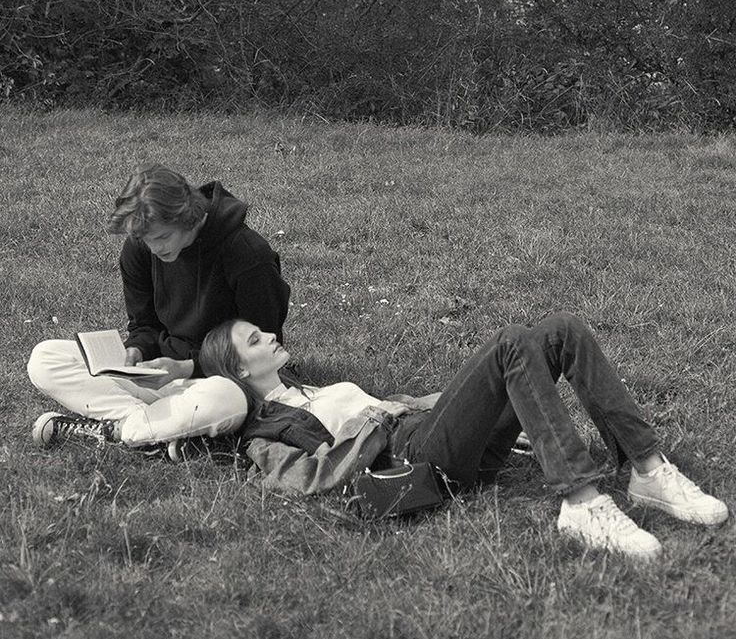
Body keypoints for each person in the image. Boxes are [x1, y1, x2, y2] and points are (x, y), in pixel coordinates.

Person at [194, 312, 727, 561]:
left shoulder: (309, 388)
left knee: (562, 329)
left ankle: (647, 470)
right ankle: (582, 502)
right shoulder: (264, 432)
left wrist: (466, 397)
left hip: (434, 432)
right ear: (240, 372)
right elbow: (306, 478)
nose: (271, 337)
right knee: (511, 341)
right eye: (256, 340)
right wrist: (375, 422)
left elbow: (399, 407)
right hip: (416, 458)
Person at [28, 164, 290, 449]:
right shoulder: (140, 247)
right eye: (145, 239)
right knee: (45, 358)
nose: (153, 249)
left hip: (222, 378)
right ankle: (153, 427)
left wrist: (187, 367)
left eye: (162, 237)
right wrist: (136, 350)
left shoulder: (247, 254)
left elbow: (264, 345)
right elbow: (144, 324)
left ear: (188, 217)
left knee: (224, 399)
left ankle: (123, 429)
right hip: (158, 375)